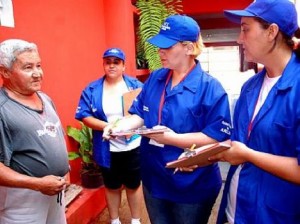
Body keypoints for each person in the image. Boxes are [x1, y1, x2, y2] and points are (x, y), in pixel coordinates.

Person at [104, 15, 232, 224]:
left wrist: (171, 139)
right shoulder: (156, 78)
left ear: (189, 48)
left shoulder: (210, 88)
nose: (160, 51)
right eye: (159, 45)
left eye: (167, 46)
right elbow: (139, 113)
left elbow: (217, 137)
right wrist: (119, 126)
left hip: (191, 185)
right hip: (155, 178)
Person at [210, 0, 300, 223]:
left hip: (272, 215)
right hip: (235, 208)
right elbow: (238, 143)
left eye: (245, 29)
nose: (240, 39)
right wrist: (203, 157)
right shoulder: (250, 87)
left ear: (272, 32)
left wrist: (248, 155)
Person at [0, 39, 69, 223]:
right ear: (5, 72)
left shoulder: (45, 98)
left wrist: (66, 169)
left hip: (55, 191)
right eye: (28, 67)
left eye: (39, 65)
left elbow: (56, 135)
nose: (37, 73)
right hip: (23, 199)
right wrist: (37, 184)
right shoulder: (2, 108)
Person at [75, 48, 143, 224]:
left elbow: (146, 111)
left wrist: (128, 127)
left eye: (116, 62)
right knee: (112, 186)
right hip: (107, 146)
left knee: (134, 184)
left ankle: (135, 220)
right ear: (103, 64)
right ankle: (114, 220)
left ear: (123, 65)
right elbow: (84, 115)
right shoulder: (92, 89)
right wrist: (107, 126)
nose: (111, 65)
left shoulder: (135, 86)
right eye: (108, 62)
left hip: (133, 145)